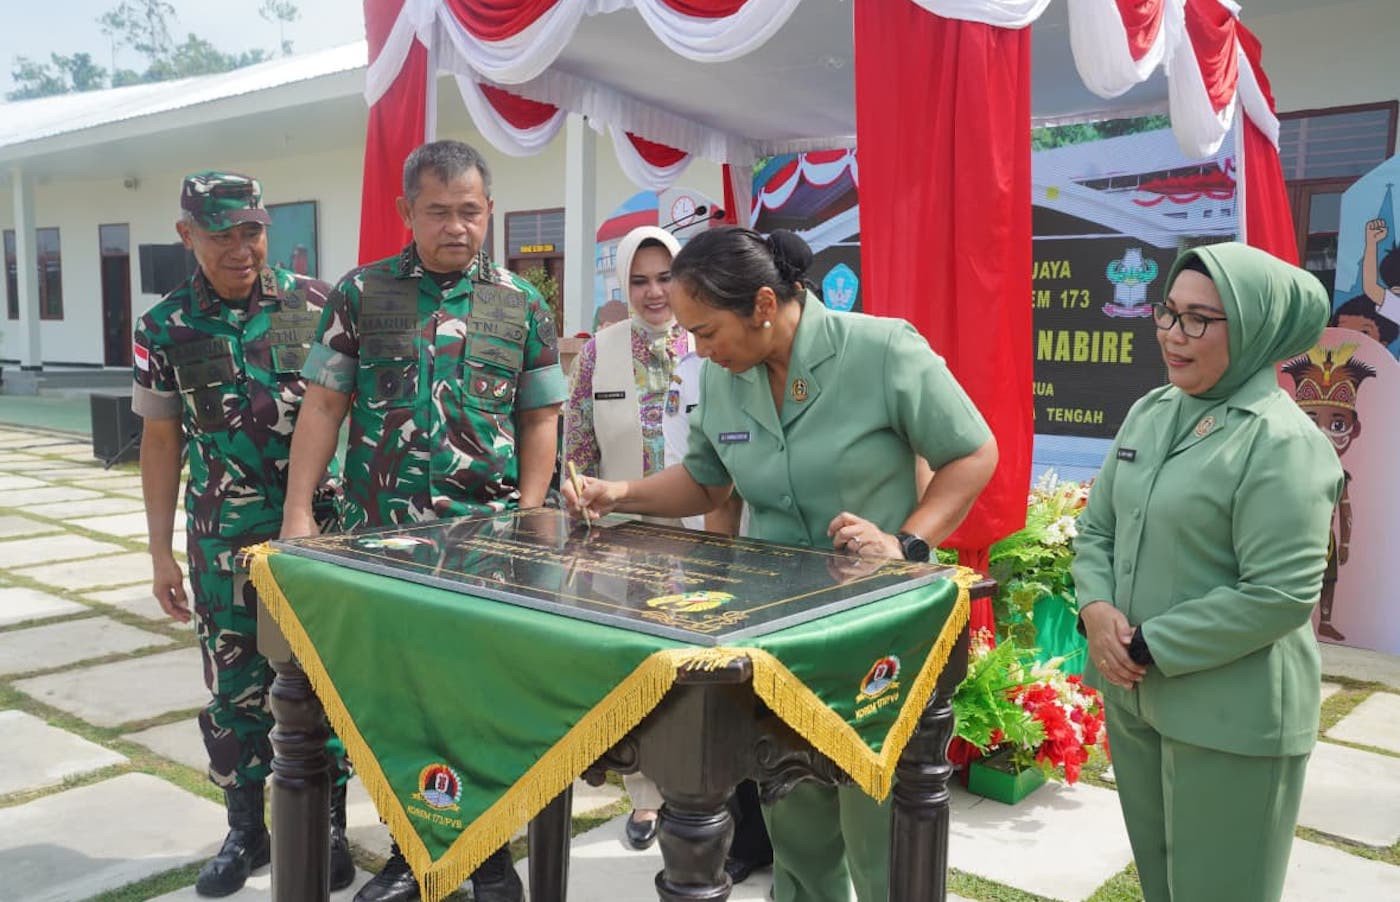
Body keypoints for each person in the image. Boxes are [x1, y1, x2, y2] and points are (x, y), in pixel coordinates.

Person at [562, 226, 997, 902]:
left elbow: (971, 453)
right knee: (797, 828)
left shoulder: (881, 350)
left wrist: (906, 543)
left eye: (706, 332)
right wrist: (618, 494)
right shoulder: (725, 377)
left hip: (873, 632)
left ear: (764, 304)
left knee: (878, 831)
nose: (698, 350)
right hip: (779, 635)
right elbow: (708, 483)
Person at [281, 139, 565, 902]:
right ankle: (414, 851)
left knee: (483, 702)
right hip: (385, 545)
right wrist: (299, 510)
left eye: (469, 211)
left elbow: (541, 416)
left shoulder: (521, 302)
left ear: (489, 210)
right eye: (437, 211)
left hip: (490, 546)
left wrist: (535, 514)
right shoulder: (361, 295)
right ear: (406, 212)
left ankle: (491, 858)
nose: (456, 227)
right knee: (397, 701)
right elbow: (325, 404)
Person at [1073, 243, 1343, 902]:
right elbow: (1098, 528)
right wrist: (1097, 610)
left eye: (1200, 319)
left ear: (1252, 328)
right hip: (1139, 700)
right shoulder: (1153, 411)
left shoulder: (1281, 441)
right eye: (1168, 313)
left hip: (1233, 718)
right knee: (1165, 889)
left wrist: (1147, 644)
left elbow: (1280, 593)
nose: (1173, 334)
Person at [132, 171, 354, 897]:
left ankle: (328, 825)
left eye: (250, 230)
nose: (239, 248)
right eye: (221, 233)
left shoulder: (317, 305)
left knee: (323, 679)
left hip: (313, 534)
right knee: (235, 688)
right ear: (186, 235)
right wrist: (161, 549)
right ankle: (245, 831)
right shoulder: (163, 327)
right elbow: (161, 441)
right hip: (220, 541)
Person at [562, 224, 752, 860]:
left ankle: (708, 788)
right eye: (638, 280)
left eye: (665, 277)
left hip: (707, 535)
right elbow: (579, 447)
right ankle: (645, 792)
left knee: (702, 671)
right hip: (626, 542)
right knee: (640, 670)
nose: (653, 292)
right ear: (622, 283)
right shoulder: (599, 352)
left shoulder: (715, 344)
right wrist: (580, 503)